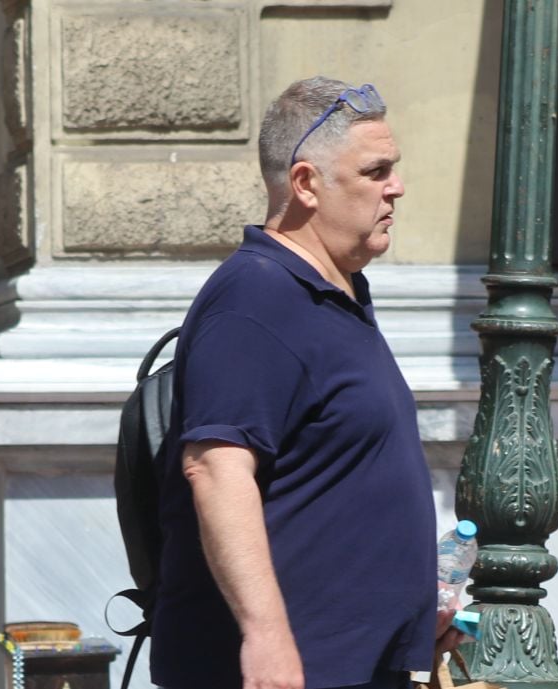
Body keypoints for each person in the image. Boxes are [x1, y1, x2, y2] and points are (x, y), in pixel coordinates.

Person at [152, 76, 462, 689]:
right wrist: (266, 636)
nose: (396, 187)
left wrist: (407, 618)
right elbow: (216, 469)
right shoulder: (256, 298)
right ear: (305, 184)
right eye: (375, 172)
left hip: (356, 667)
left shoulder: (332, 294)